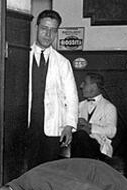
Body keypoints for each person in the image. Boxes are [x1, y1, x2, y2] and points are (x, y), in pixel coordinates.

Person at [25, 9, 78, 170]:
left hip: (52, 126)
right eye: (44, 29)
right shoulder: (22, 55)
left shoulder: (63, 63)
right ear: (36, 27)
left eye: (53, 30)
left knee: (48, 170)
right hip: (26, 125)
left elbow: (72, 96)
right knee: (25, 170)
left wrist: (69, 125)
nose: (48, 34)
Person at [71, 72, 117, 160]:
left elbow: (112, 132)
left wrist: (90, 127)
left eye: (84, 83)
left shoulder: (109, 107)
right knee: (79, 136)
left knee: (81, 135)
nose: (81, 86)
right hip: (78, 147)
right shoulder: (80, 105)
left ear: (94, 86)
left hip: (99, 149)